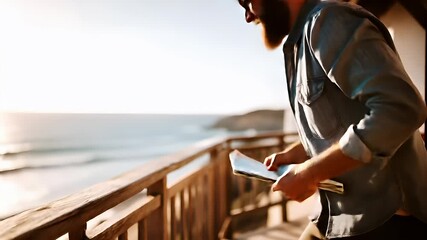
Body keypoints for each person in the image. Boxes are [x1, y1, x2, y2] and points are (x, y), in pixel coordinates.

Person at [235, 0, 427, 239]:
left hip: (387, 217)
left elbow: (401, 109)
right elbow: (342, 122)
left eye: (245, 1)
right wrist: (299, 152)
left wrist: (310, 173)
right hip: (339, 214)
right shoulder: (300, 43)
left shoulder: (329, 22)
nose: (248, 16)